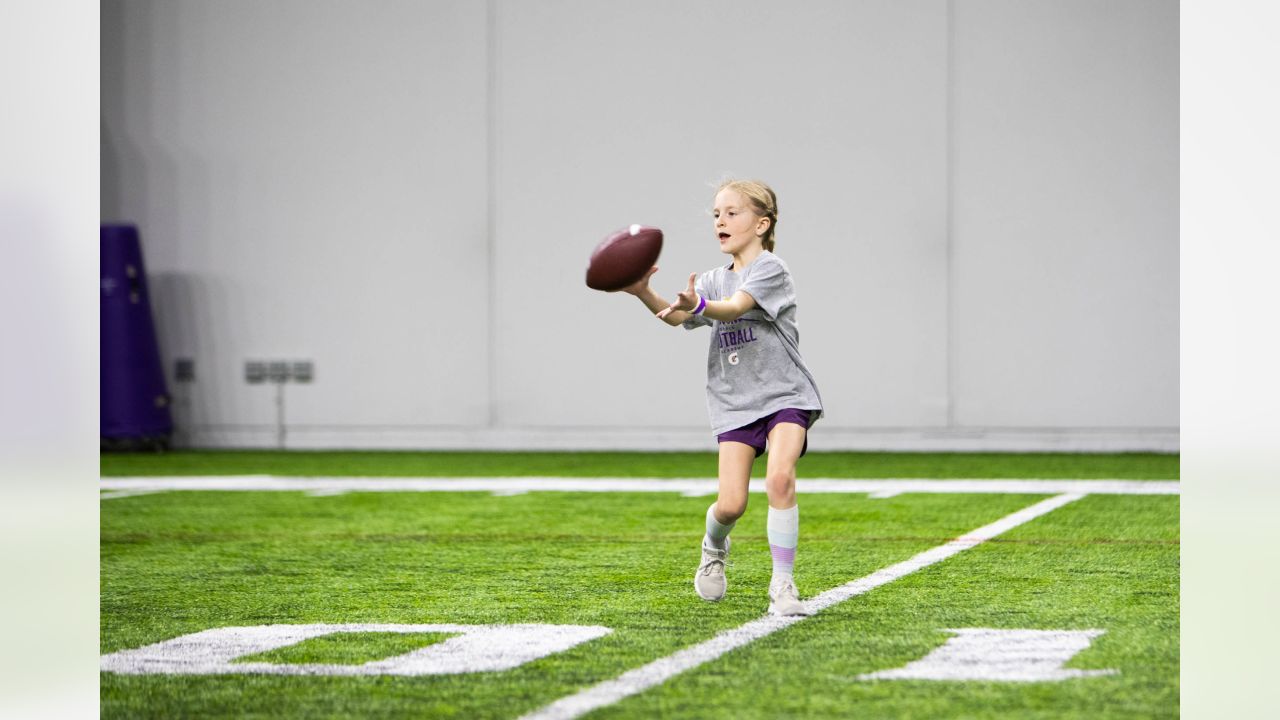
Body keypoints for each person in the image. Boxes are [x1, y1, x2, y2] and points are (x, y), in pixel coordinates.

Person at [617, 179, 824, 616]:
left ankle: (783, 585)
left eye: (732, 212)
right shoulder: (711, 279)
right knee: (731, 504)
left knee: (780, 479)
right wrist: (643, 292)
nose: (720, 221)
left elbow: (731, 308)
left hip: (785, 393)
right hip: (734, 402)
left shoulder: (771, 269)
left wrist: (698, 306)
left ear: (762, 223)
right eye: (716, 214)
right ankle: (713, 546)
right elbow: (677, 317)